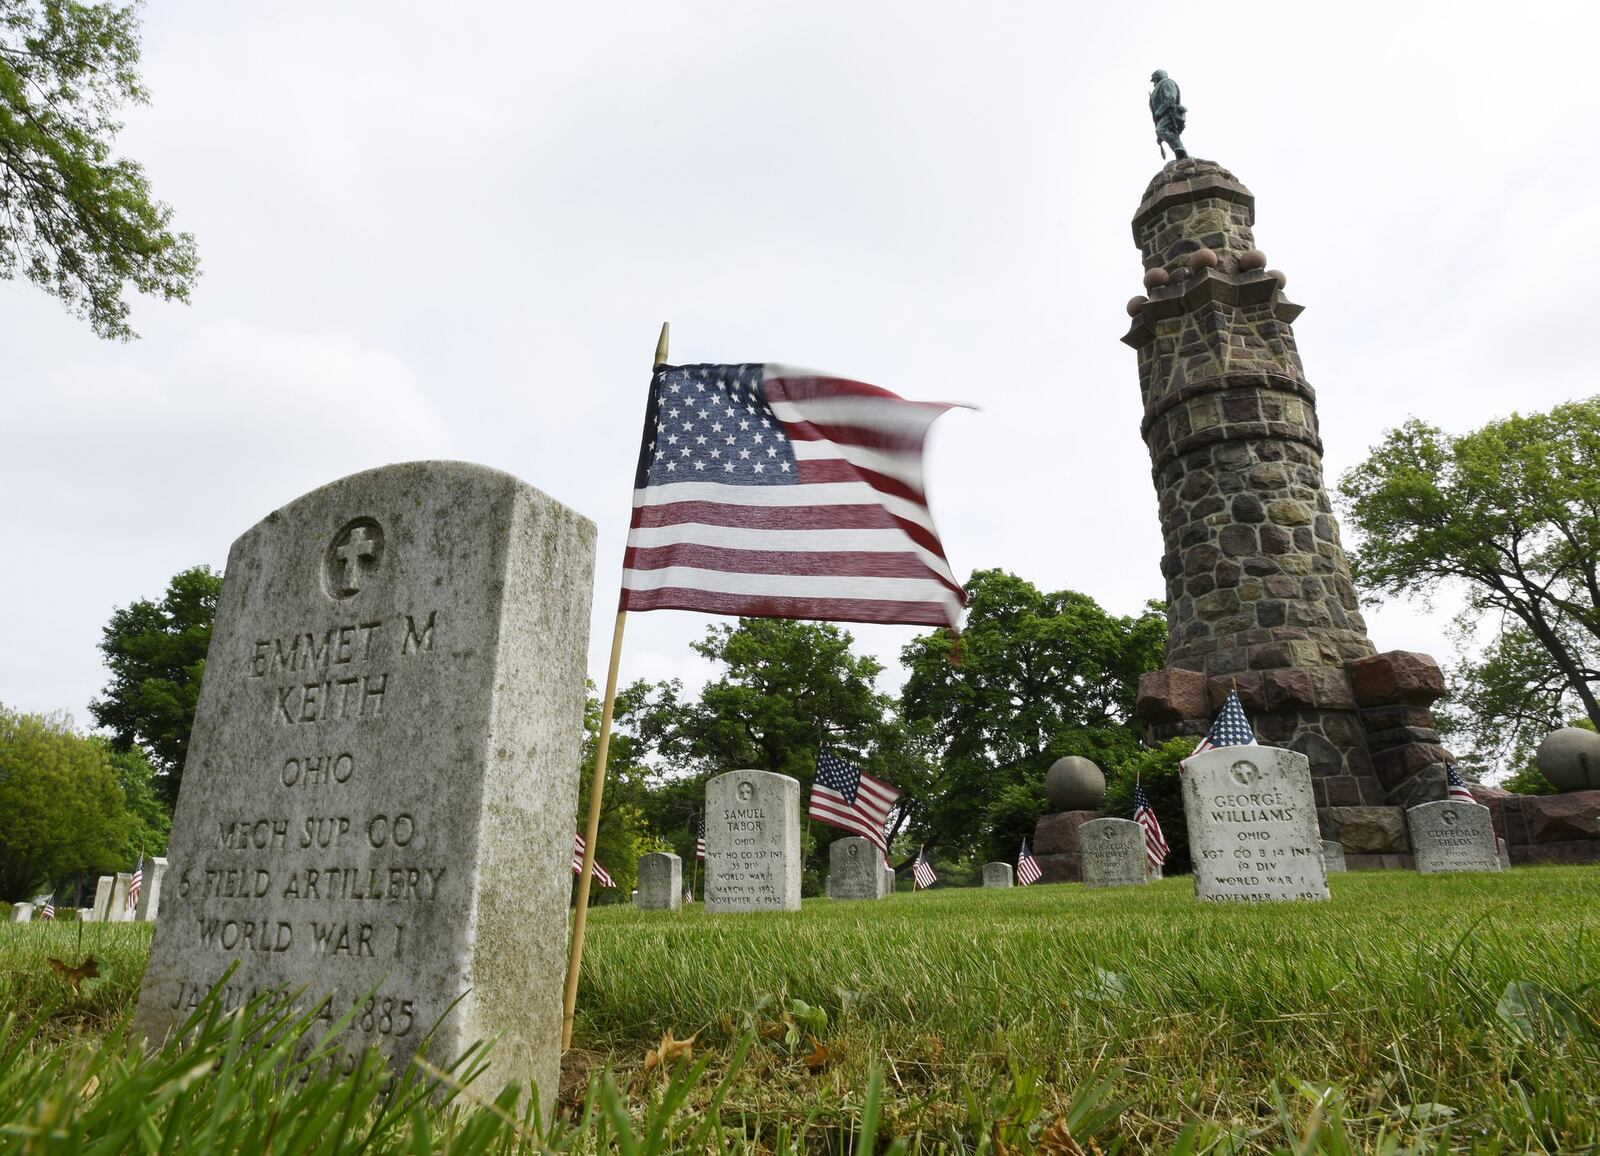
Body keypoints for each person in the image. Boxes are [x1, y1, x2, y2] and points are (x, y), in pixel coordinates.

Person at [1149, 70, 1188, 161]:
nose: (1154, 83)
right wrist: (1161, 137)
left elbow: (1170, 97)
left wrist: (1159, 112)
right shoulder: (1159, 86)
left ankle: (1180, 150)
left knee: (1160, 130)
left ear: (1158, 77)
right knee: (1165, 132)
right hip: (1164, 115)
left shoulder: (1166, 82)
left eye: (1154, 80)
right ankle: (1182, 154)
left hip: (1170, 112)